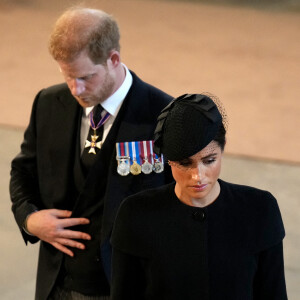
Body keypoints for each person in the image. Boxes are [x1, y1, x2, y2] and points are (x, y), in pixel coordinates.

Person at [9, 6, 173, 300]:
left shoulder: (162, 114)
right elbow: (23, 170)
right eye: (68, 77)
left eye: (85, 77)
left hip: (126, 288)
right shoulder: (48, 103)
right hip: (55, 286)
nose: (76, 88)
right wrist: (28, 219)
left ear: (113, 59)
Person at [111, 93, 288, 300]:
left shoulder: (260, 210)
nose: (198, 176)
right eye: (185, 164)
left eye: (209, 160)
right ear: (168, 161)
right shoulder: (136, 214)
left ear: (223, 149)